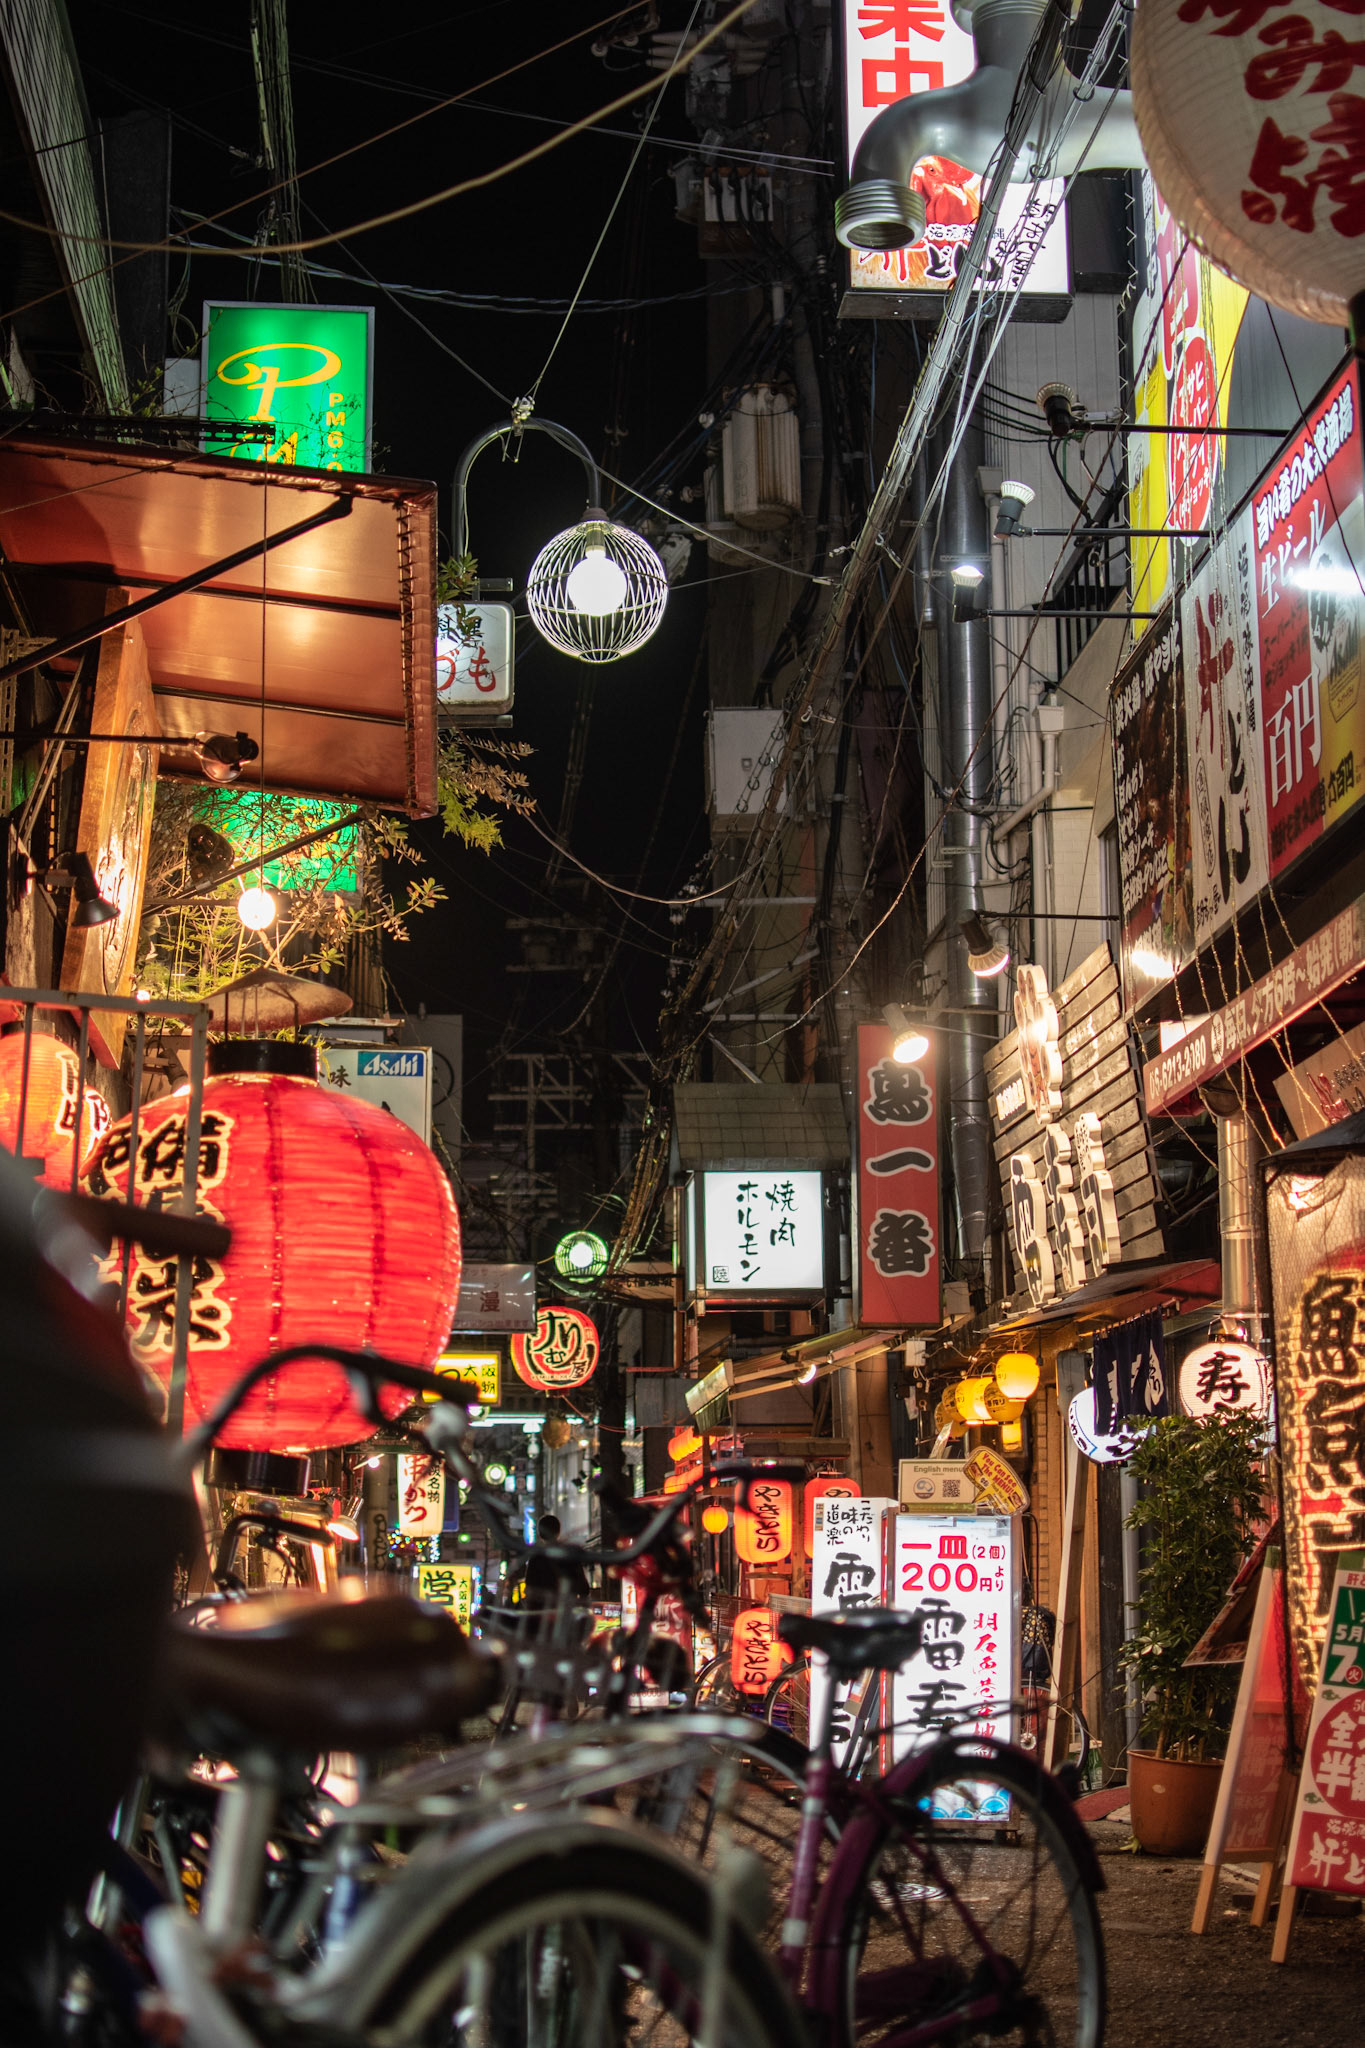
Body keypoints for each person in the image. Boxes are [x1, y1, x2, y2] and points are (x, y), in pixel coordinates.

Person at [521, 1512, 590, 1610]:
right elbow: (584, 1589)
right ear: (558, 1531)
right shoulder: (569, 1555)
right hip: (565, 1614)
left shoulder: (536, 1557)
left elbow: (530, 1589)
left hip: (541, 1616)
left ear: (540, 1534)